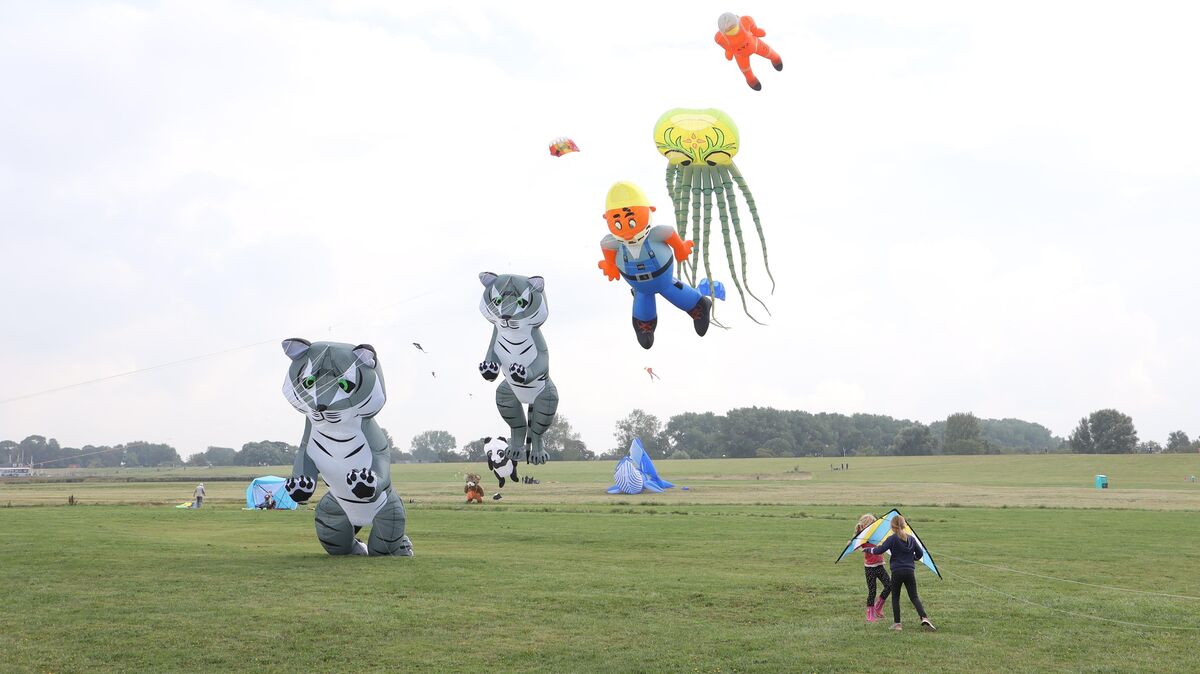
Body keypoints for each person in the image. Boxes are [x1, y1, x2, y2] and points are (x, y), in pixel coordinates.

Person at [869, 514, 935, 631]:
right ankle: (924, 617)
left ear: (892, 527)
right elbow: (919, 554)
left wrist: (867, 549)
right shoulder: (911, 539)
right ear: (904, 525)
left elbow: (879, 550)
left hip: (897, 572)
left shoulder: (892, 539)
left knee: (895, 597)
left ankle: (897, 624)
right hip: (910, 571)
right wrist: (912, 558)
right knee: (914, 596)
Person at [713, 13, 783, 91]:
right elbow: (726, 46)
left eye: (733, 27)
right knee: (747, 71)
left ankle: (776, 59)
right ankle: (752, 80)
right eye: (729, 30)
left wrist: (756, 31)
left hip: (754, 45)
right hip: (742, 53)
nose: (732, 29)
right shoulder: (720, 38)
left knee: (771, 54)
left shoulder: (745, 21)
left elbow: (753, 26)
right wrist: (729, 51)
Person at [854, 514, 890, 623]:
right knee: (872, 591)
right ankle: (870, 615)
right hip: (869, 568)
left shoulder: (876, 535)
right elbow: (853, 545)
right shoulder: (862, 538)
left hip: (879, 565)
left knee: (889, 585)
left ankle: (878, 607)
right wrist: (852, 542)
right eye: (871, 524)